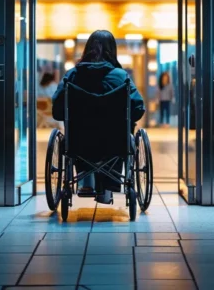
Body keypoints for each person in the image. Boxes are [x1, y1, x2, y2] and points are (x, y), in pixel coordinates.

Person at [53, 30, 145, 202]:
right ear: (113, 50)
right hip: (115, 142)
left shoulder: (72, 76)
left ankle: (85, 181)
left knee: (81, 139)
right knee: (120, 136)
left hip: (79, 142)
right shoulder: (121, 77)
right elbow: (138, 108)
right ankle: (109, 185)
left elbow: (57, 111)